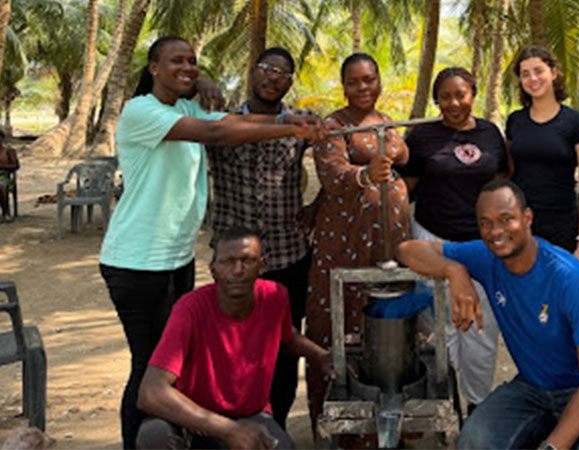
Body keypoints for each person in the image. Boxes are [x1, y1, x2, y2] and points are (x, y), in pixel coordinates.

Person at [98, 35, 325, 448]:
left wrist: (288, 123)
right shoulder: (141, 111)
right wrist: (287, 126)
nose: (187, 68)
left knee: (176, 364)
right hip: (136, 258)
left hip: (176, 256)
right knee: (149, 365)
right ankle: (143, 441)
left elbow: (232, 120)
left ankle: (214, 433)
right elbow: (220, 131)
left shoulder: (184, 106)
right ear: (152, 68)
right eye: (176, 61)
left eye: (192, 62)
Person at [396, 180, 579, 450]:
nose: (495, 231)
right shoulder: (486, 257)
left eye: (506, 219)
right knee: (475, 441)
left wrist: (552, 446)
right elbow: (408, 250)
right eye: (485, 223)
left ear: (527, 218)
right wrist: (455, 272)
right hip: (533, 390)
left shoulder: (568, 277)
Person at [135, 226, 332, 450]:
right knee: (154, 435)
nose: (238, 270)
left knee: (282, 447)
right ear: (213, 270)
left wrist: (321, 356)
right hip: (194, 417)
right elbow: (150, 392)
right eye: (228, 262)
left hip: (250, 415)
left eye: (247, 260)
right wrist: (228, 430)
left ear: (262, 265)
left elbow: (287, 336)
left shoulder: (276, 297)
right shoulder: (190, 308)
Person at [206, 46, 318, 429]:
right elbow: (170, 103)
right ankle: (235, 426)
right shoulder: (219, 122)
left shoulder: (302, 123)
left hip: (288, 254)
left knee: (286, 347)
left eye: (283, 73)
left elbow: (340, 150)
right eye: (267, 69)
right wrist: (202, 81)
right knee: (232, 346)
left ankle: (278, 426)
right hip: (233, 261)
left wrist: (316, 208)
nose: (273, 77)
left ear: (290, 82)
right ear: (253, 72)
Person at [305, 52, 410, 428]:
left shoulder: (385, 120)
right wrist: (365, 174)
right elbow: (332, 174)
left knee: (386, 323)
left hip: (388, 238)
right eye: (354, 81)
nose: (363, 87)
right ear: (344, 85)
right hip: (346, 239)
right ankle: (340, 423)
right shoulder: (331, 125)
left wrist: (394, 152)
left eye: (369, 79)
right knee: (336, 318)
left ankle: (389, 414)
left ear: (379, 81)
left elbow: (403, 150)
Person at [399, 66, 506, 415]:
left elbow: (503, 181)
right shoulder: (422, 137)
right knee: (439, 331)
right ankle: (445, 405)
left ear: (473, 94)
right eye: (445, 96)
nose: (454, 103)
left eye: (460, 94)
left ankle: (476, 406)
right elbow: (406, 190)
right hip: (432, 240)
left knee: (479, 327)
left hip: (483, 246)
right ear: (437, 100)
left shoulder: (491, 134)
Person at [505, 46, 579, 266]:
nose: (532, 79)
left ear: (553, 72)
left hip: (562, 224)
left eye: (539, 71)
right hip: (520, 223)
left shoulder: (576, 122)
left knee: (557, 297)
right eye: (525, 74)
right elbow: (507, 172)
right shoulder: (515, 121)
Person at [0, 130, 19, 222]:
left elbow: (16, 166)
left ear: (2, 139)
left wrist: (3, 167)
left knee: (1, 187)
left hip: (5, 176)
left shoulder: (8, 151)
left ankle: (5, 213)